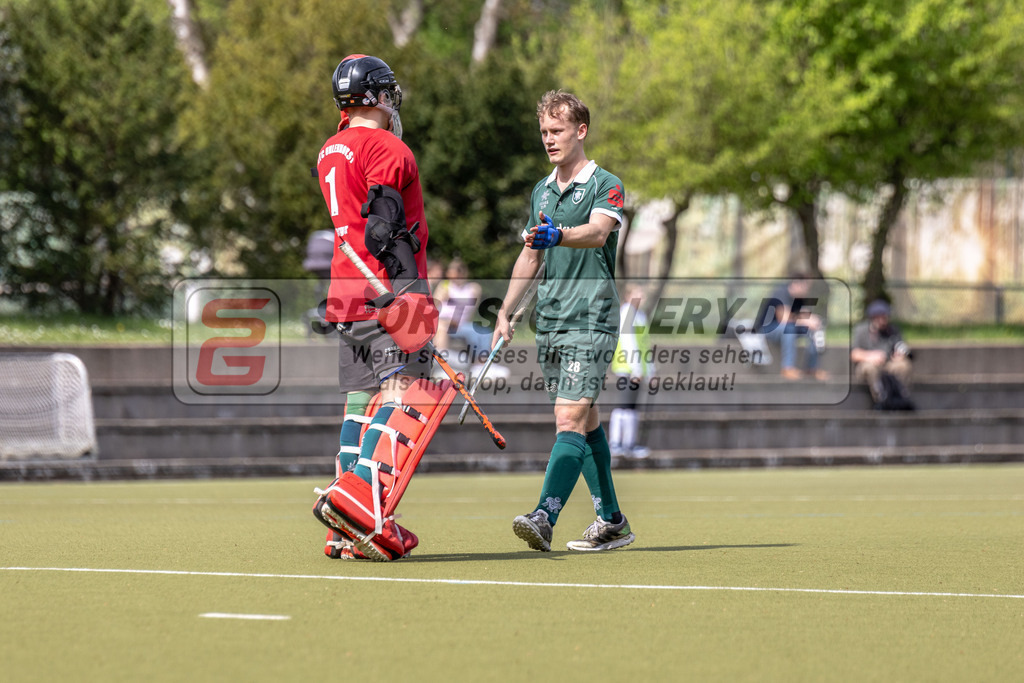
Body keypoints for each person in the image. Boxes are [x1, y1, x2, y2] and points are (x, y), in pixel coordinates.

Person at [494, 89, 634, 553]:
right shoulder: (541, 190)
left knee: (568, 416)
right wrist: (506, 310)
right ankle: (612, 521)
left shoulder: (605, 183)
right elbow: (530, 255)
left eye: (556, 131)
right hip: (550, 319)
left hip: (591, 317)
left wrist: (560, 234)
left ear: (581, 130)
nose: (549, 140)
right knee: (587, 419)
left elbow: (597, 233)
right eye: (544, 133)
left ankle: (544, 516)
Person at [313, 54, 435, 557]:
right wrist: (410, 297)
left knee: (360, 404)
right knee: (407, 393)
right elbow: (386, 225)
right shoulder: (389, 147)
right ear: (380, 97)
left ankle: (345, 529)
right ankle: (360, 508)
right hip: (385, 293)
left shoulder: (329, 149)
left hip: (346, 294)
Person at [609, 282, 655, 458]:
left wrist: (650, 371)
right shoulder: (627, 312)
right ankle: (617, 443)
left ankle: (630, 444)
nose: (641, 298)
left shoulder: (639, 315)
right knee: (624, 407)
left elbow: (644, 345)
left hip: (638, 369)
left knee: (632, 408)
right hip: (627, 368)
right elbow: (629, 343)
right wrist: (636, 368)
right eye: (637, 294)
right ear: (628, 296)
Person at [756, 273, 828, 380]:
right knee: (788, 328)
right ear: (796, 284)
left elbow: (803, 313)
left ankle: (812, 368)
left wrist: (813, 320)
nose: (807, 290)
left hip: (787, 327)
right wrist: (805, 321)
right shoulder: (781, 292)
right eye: (805, 286)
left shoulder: (799, 298)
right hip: (767, 329)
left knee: (813, 331)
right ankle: (787, 368)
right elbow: (783, 318)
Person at [850, 299, 914, 410]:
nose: (883, 321)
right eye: (880, 318)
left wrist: (899, 356)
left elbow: (900, 347)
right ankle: (881, 399)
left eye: (885, 317)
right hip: (868, 364)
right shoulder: (861, 331)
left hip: (888, 364)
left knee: (903, 366)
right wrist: (870, 356)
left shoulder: (892, 330)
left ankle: (901, 397)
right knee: (870, 368)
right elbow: (854, 354)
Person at [433, 257, 494, 368]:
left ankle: (481, 364)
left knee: (485, 331)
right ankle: (441, 364)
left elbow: (470, 309)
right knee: (442, 327)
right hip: (445, 322)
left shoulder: (472, 288)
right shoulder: (445, 286)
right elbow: (434, 308)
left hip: (461, 325)